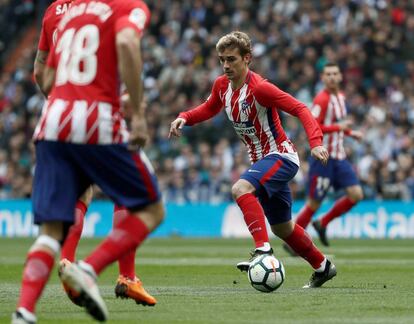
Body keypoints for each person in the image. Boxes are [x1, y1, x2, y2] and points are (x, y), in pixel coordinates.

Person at [12, 0, 165, 323]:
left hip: (52, 122)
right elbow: (126, 42)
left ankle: (24, 312)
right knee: (151, 208)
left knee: (51, 230)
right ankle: (89, 269)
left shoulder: (68, 14)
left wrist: (71, 98)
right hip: (96, 120)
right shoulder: (128, 6)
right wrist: (135, 112)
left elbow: (47, 73)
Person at [169, 31, 336, 289]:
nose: (226, 65)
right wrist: (185, 117)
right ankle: (323, 266)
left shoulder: (260, 88)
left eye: (232, 59)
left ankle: (263, 251)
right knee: (283, 228)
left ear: (247, 59)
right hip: (262, 161)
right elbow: (210, 108)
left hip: (281, 156)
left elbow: (300, 108)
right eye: (222, 59)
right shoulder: (222, 86)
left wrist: (315, 143)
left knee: (240, 188)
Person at [291, 63, 364, 247]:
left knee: (356, 194)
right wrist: (339, 127)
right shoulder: (321, 100)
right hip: (323, 158)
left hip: (339, 157)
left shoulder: (340, 97)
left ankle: (322, 223)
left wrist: (350, 133)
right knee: (314, 203)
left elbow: (337, 124)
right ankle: (293, 240)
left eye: (335, 73)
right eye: (328, 74)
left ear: (340, 77)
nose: (332, 77)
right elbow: (313, 125)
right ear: (323, 78)